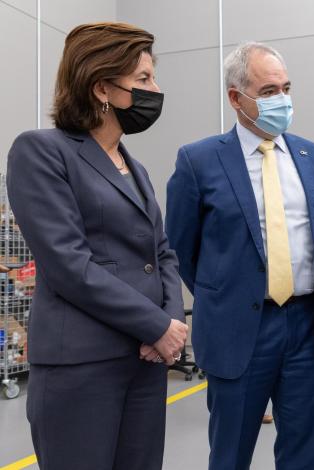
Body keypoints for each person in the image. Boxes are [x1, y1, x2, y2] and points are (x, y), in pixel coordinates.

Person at [6, 23, 188, 470]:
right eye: (143, 80)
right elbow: (69, 263)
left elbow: (161, 253)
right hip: (81, 367)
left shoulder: (135, 167)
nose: (156, 90)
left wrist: (170, 322)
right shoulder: (41, 152)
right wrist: (154, 325)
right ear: (102, 87)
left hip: (145, 363)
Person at [166, 41, 314, 470]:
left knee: (304, 453)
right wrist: (228, 293)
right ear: (235, 98)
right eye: (267, 91)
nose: (281, 99)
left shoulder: (312, 157)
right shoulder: (198, 161)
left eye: (286, 87)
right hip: (238, 329)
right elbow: (181, 249)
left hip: (305, 326)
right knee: (230, 455)